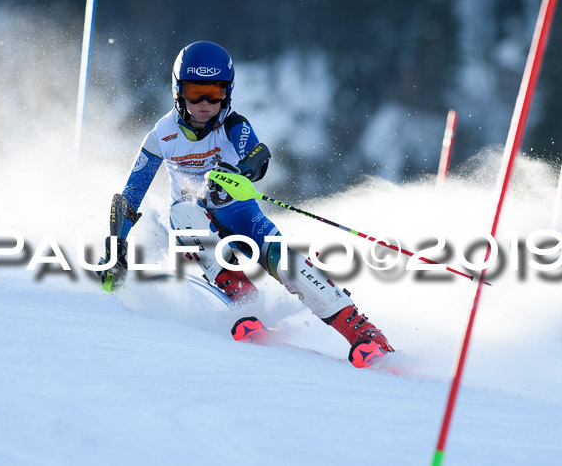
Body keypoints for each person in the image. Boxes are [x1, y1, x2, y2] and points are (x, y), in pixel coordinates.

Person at [97, 41, 394, 368]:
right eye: (196, 91)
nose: (206, 103)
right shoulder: (161, 135)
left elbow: (257, 155)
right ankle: (245, 302)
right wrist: (116, 247)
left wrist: (239, 171)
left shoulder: (233, 125)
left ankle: (364, 335)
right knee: (182, 211)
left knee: (288, 265)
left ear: (229, 92)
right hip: (194, 225)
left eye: (216, 91)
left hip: (241, 215)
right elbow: (131, 194)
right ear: (178, 91)